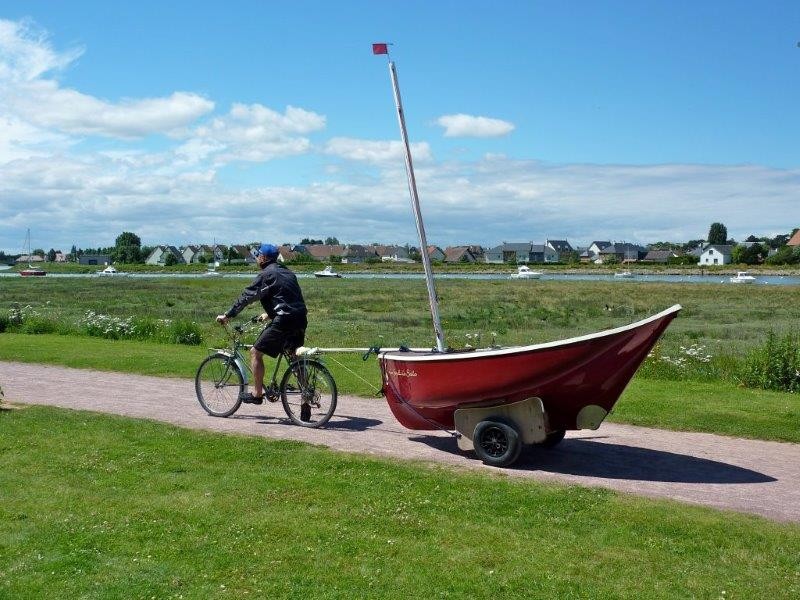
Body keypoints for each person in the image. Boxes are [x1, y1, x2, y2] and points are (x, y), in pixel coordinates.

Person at [216, 243, 308, 404]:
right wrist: (270, 314)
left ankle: (257, 394)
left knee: (255, 352)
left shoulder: (266, 275)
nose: (257, 258)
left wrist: (228, 315)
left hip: (284, 321)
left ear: (264, 258)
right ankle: (307, 395)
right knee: (294, 356)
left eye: (258, 255)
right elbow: (287, 298)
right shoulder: (288, 272)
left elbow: (246, 297)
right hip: (300, 319)